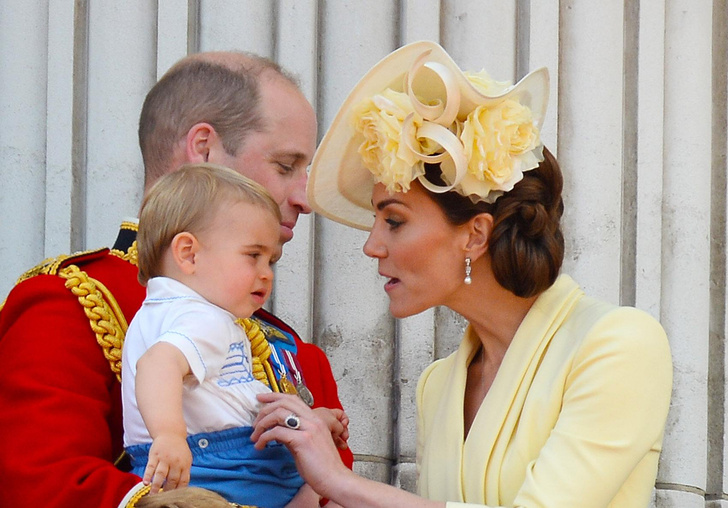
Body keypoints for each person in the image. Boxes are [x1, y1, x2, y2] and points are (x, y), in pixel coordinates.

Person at [250, 40, 673, 507]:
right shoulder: (438, 385)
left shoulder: (618, 343)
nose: (371, 246)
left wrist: (340, 481)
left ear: (475, 234)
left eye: (393, 221)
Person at [0, 51, 352, 508]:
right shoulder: (69, 304)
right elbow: (43, 486)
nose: (306, 198)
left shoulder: (290, 348)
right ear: (203, 150)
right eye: (286, 166)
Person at [124, 163, 338, 507]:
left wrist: (307, 420)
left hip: (191, 460)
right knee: (330, 485)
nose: (266, 274)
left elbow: (227, 398)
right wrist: (169, 435)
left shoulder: (161, 312)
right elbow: (157, 364)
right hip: (219, 463)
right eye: (253, 256)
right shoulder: (202, 316)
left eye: (271, 261)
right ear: (188, 254)